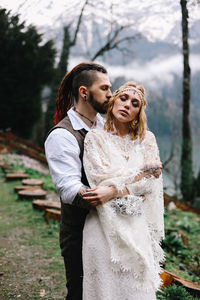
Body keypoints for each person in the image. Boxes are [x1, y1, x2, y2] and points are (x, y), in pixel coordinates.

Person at [82, 81, 165, 300]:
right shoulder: (94, 138)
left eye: (135, 103)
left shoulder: (147, 140)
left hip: (136, 227)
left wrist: (113, 190)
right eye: (123, 98)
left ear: (138, 113)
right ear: (113, 102)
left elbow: (150, 184)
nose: (127, 105)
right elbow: (100, 179)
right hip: (101, 228)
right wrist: (144, 170)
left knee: (138, 292)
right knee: (105, 292)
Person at [45, 62, 120, 300]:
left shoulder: (106, 128)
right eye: (105, 88)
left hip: (113, 230)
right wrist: (112, 195)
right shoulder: (62, 135)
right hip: (80, 234)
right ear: (84, 92)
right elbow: (68, 189)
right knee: (81, 294)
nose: (111, 94)